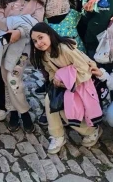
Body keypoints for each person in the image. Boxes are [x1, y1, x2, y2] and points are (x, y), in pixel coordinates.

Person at [30, 22, 103, 154]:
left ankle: (91, 131)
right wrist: (56, 81)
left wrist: (70, 83)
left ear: (49, 34)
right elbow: (51, 72)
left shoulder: (65, 49)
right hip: (65, 84)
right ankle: (57, 136)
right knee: (50, 101)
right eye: (35, 41)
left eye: (41, 37)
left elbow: (84, 70)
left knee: (65, 110)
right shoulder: (45, 55)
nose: (39, 43)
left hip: (82, 83)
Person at [0, 0, 44, 133]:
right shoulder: (5, 0)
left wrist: (20, 31)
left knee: (13, 78)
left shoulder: (36, 1)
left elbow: (36, 23)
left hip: (24, 46)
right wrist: (13, 28)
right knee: (5, 79)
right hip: (4, 42)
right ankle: (13, 111)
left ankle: (25, 113)